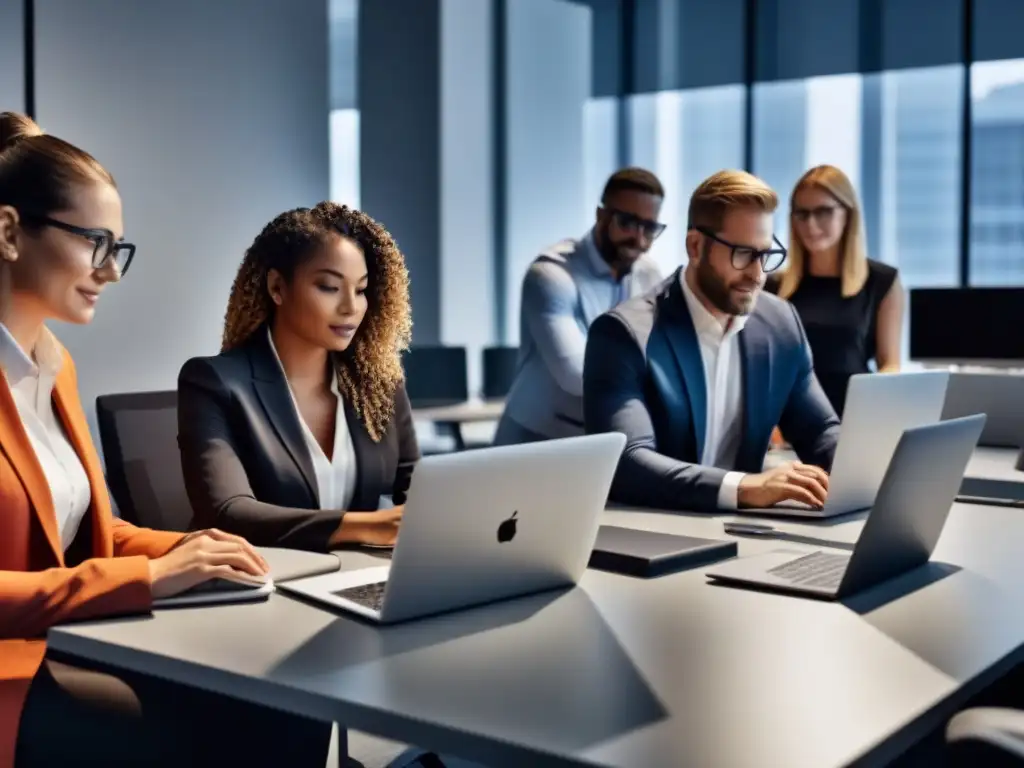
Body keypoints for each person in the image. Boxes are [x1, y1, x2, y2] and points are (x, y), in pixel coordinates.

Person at [0, 112, 338, 768]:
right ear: (9, 231)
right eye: (95, 242)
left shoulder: (54, 367)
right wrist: (148, 577)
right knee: (203, 731)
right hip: (14, 671)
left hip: (75, 641)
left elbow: (88, 528)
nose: (112, 272)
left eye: (117, 248)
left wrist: (193, 550)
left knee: (289, 700)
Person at [583, 169, 840, 513]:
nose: (758, 274)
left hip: (748, 532)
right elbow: (627, 462)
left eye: (765, 254)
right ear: (695, 246)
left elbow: (821, 431)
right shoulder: (623, 334)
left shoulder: (781, 325)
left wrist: (870, 473)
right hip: (656, 530)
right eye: (743, 254)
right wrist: (744, 486)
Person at [177, 203, 418, 551]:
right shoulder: (213, 382)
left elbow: (416, 492)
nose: (351, 307)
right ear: (277, 287)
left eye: (361, 289)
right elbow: (228, 512)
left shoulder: (379, 384)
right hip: (264, 581)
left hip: (356, 577)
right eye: (329, 287)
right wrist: (368, 526)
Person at [493, 167, 665, 446]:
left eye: (649, 227)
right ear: (601, 215)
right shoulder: (551, 275)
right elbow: (576, 376)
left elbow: (663, 355)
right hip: (533, 439)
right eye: (627, 222)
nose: (639, 238)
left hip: (598, 440)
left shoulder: (648, 274)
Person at [766, 164, 902, 417]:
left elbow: (890, 363)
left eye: (823, 212)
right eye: (801, 214)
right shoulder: (772, 285)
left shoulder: (882, 281)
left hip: (855, 417)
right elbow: (763, 366)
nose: (811, 224)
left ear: (848, 214)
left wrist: (881, 407)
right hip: (787, 423)